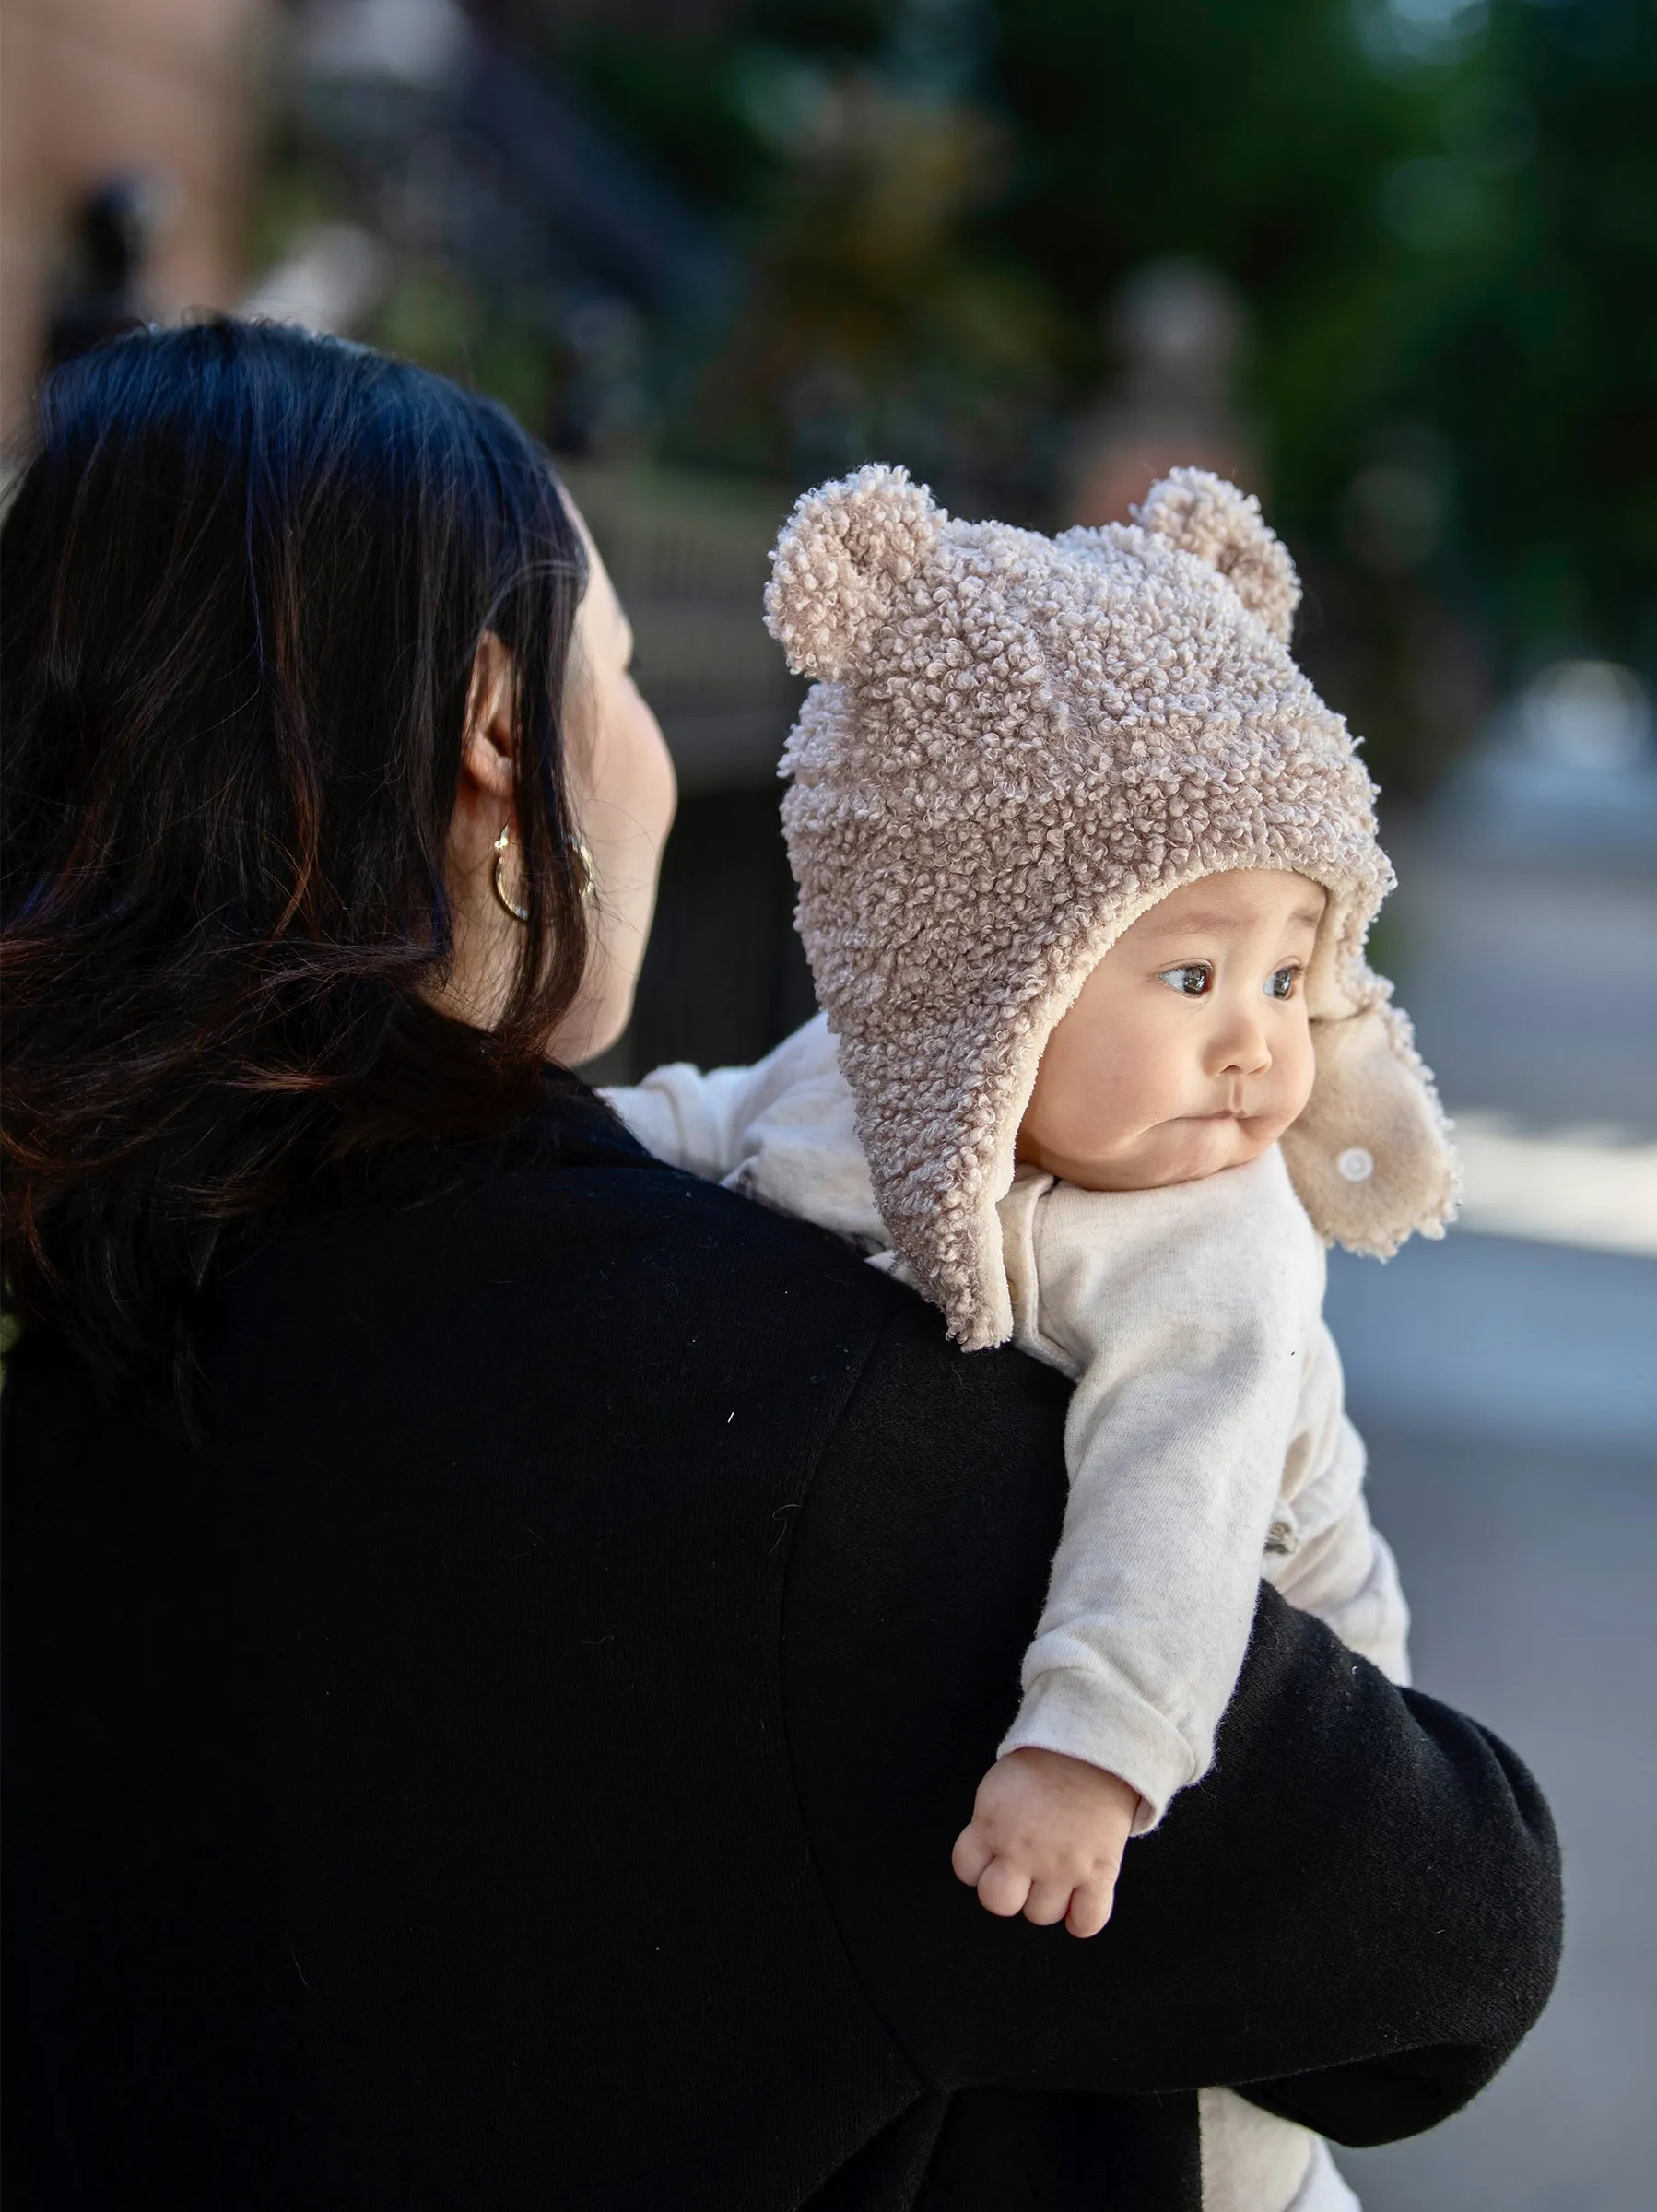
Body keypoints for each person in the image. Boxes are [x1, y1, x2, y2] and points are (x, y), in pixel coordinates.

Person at [0, 321, 1560, 2212]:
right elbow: (1446, 1947)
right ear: (500, 726)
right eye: (629, 674)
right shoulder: (795, 1437)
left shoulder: (97, 1315)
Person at [603, 464, 1457, 2212]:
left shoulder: (1210, 1240)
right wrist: (548, 1149)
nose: (1257, 1052)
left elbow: (1184, 1498)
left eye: (1293, 976)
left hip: (1237, 1641)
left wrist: (1093, 1754)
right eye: (1193, 978)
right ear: (981, 974)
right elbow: (703, 1120)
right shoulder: (868, 1086)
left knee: (1223, 2109)